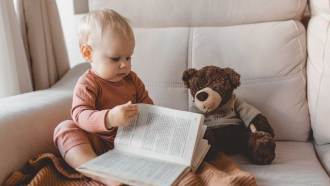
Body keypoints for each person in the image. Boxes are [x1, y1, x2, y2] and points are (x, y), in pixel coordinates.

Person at [53, 9, 153, 185]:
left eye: (128, 57)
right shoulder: (88, 83)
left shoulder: (132, 79)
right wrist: (109, 118)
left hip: (132, 143)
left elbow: (148, 105)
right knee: (64, 129)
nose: (124, 65)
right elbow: (80, 114)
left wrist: (150, 115)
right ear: (87, 53)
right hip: (98, 144)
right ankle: (97, 171)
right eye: (115, 59)